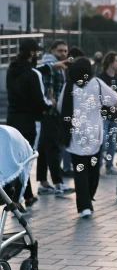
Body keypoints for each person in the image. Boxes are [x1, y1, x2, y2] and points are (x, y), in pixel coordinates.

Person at [57, 57, 117, 218]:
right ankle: (89, 196)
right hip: (94, 134)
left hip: (75, 135)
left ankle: (84, 205)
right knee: (93, 169)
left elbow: (60, 107)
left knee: (80, 171)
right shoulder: (96, 83)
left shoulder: (68, 85)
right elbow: (114, 99)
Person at [6, 38, 53, 209]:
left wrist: (52, 66)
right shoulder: (34, 74)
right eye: (36, 52)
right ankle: (16, 201)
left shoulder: (11, 70)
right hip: (30, 122)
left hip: (12, 120)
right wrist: (50, 102)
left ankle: (29, 196)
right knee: (26, 161)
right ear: (32, 53)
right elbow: (39, 102)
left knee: (14, 160)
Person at [36, 39, 74, 197]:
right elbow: (48, 87)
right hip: (51, 113)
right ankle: (58, 183)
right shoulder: (51, 66)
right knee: (53, 148)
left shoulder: (54, 65)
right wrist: (52, 102)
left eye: (65, 51)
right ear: (52, 51)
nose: (63, 54)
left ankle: (43, 182)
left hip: (50, 113)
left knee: (44, 148)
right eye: (60, 51)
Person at [98, 51, 117, 175]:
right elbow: (99, 97)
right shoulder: (101, 78)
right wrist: (110, 103)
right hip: (103, 114)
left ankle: (109, 165)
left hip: (114, 115)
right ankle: (98, 165)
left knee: (112, 142)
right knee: (102, 141)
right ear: (110, 62)